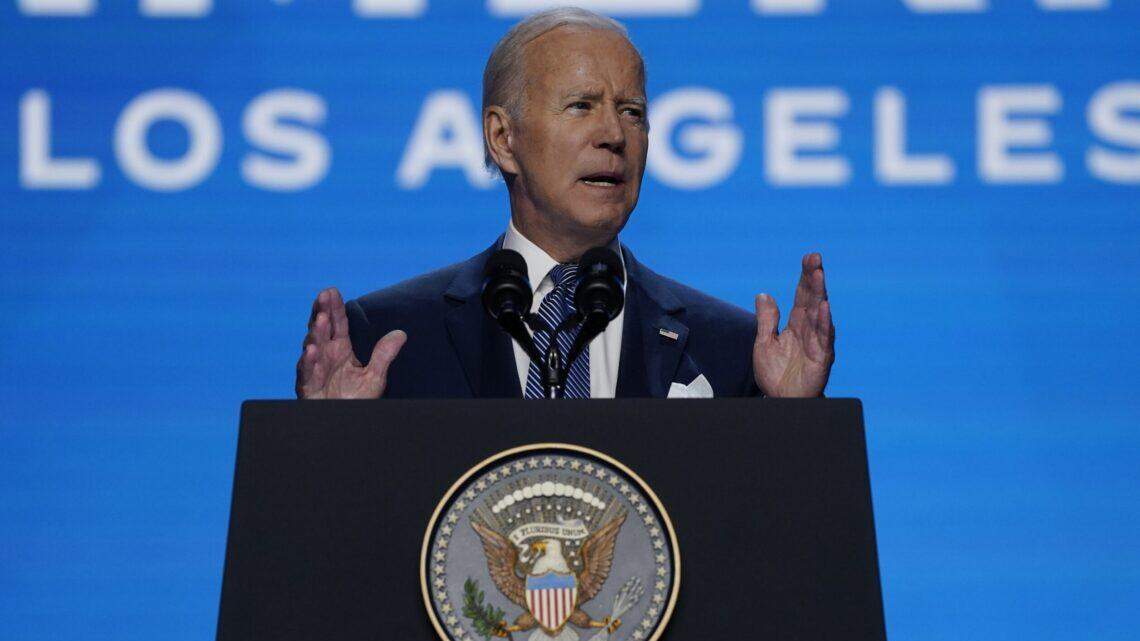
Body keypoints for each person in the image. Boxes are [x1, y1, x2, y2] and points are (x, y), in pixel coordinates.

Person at [295, 8, 834, 400]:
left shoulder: (731, 349)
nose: (613, 135)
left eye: (632, 112)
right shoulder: (391, 338)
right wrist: (326, 442)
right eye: (581, 106)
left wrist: (795, 423)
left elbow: (775, 543)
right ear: (503, 139)